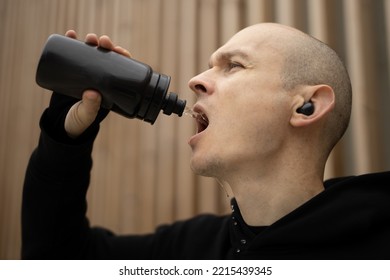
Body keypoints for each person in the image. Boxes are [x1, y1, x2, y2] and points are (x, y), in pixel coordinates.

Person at [22, 23, 390, 259]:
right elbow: (56, 260)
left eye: (234, 65)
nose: (196, 80)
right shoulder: (191, 254)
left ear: (307, 107)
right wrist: (64, 138)